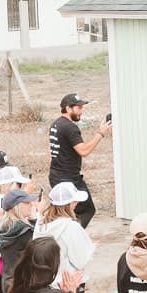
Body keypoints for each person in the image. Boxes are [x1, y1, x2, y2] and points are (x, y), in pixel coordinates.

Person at [48, 93, 111, 230]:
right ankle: (73, 237)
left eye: (82, 107)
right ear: (68, 108)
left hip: (56, 175)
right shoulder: (70, 127)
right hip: (68, 178)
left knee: (64, 212)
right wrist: (100, 133)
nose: (81, 111)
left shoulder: (56, 124)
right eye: (78, 108)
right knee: (87, 209)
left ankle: (62, 236)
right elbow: (83, 151)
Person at [34, 183, 97, 281]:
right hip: (67, 282)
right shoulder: (70, 226)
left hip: (44, 280)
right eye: (74, 201)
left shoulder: (41, 224)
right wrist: (90, 245)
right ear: (68, 204)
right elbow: (81, 261)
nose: (77, 203)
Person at [0, 187, 39, 287]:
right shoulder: (25, 231)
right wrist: (35, 220)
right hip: (23, 283)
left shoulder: (2, 228)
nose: (31, 205)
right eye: (27, 202)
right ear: (18, 206)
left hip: (8, 280)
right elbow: (40, 250)